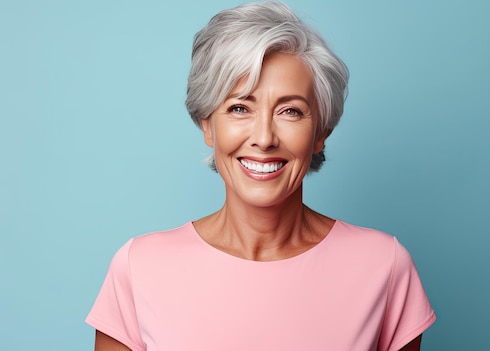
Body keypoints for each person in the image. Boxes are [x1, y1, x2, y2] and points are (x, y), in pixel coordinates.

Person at [86, 1, 436, 350]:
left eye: (290, 111)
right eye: (240, 108)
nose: (264, 138)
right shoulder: (140, 267)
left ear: (320, 133)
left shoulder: (383, 266)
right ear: (208, 126)